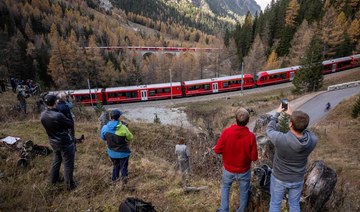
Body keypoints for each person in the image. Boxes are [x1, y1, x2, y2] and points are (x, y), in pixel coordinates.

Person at [266, 103, 317, 212]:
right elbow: (307, 131)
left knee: (275, 204)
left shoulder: (281, 139)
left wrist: (277, 114)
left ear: (290, 125)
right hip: (297, 179)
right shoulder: (312, 141)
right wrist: (294, 116)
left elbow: (269, 129)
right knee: (294, 205)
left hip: (279, 178)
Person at [214, 108, 258, 212]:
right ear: (248, 121)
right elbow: (254, 158)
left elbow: (217, 150)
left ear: (235, 119)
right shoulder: (251, 137)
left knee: (225, 188)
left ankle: (224, 210)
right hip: (244, 170)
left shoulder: (226, 132)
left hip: (228, 169)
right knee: (244, 192)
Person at [40, 94, 76, 190]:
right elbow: (70, 124)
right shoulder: (58, 115)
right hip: (64, 142)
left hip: (53, 141)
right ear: (55, 102)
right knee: (68, 164)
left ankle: (53, 181)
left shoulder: (43, 115)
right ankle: (69, 186)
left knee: (56, 161)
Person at [100, 109, 133, 184]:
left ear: (110, 117)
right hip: (123, 153)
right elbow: (130, 137)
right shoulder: (123, 128)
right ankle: (124, 183)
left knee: (115, 165)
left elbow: (103, 138)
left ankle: (114, 181)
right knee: (123, 167)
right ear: (119, 117)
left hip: (111, 152)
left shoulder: (105, 127)